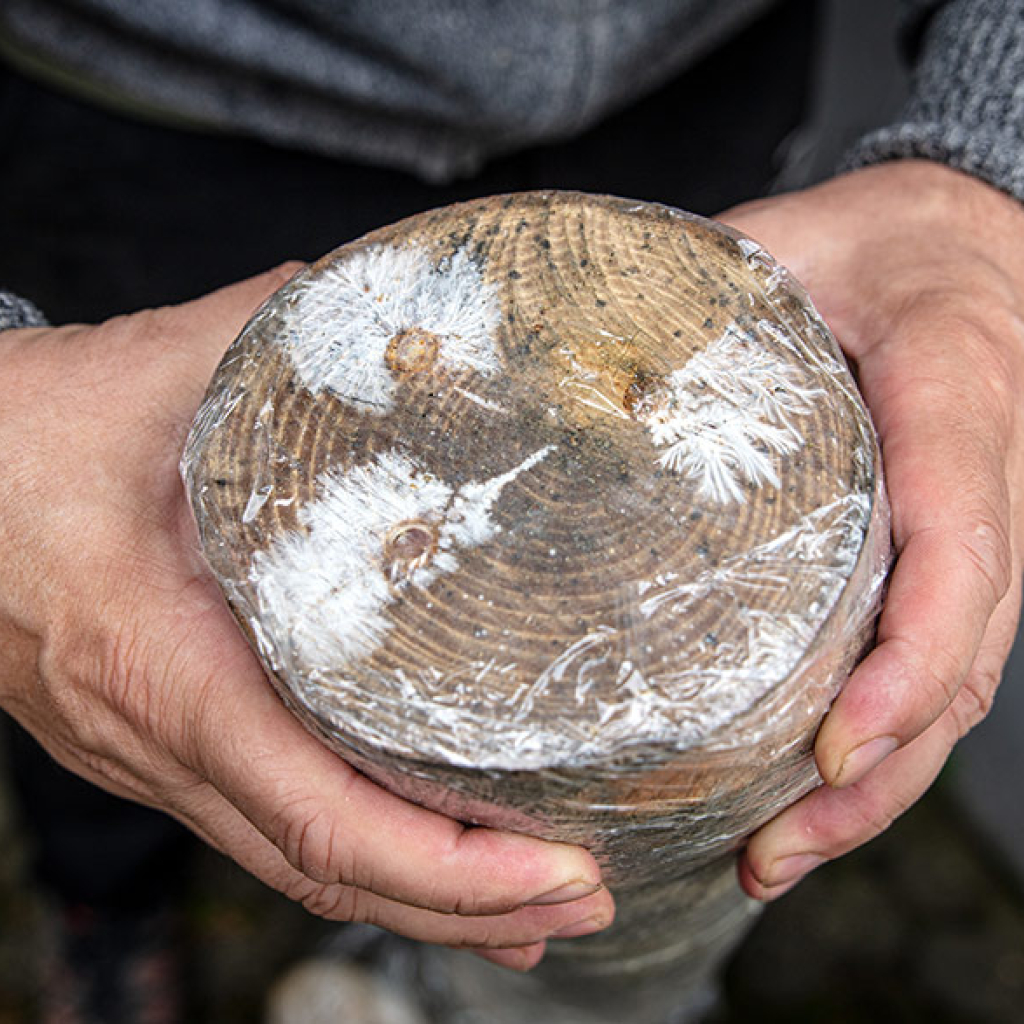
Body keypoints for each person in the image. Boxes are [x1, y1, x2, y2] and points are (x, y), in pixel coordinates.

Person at [0, 0, 1022, 1018]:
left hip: (687, 85)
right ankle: (106, 901)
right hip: (151, 115)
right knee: (108, 633)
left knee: (647, 735)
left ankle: (531, 967)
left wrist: (983, 156)